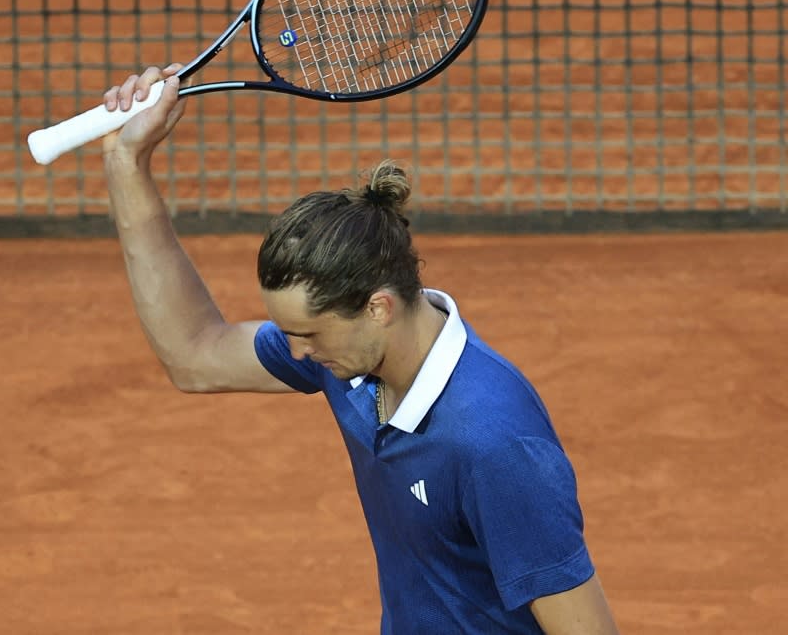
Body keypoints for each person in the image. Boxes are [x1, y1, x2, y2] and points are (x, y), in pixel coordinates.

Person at [100, 63, 621, 635]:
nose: (296, 354)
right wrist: (126, 164)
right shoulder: (350, 362)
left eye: (310, 334)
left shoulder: (493, 445)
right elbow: (195, 352)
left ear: (378, 307)